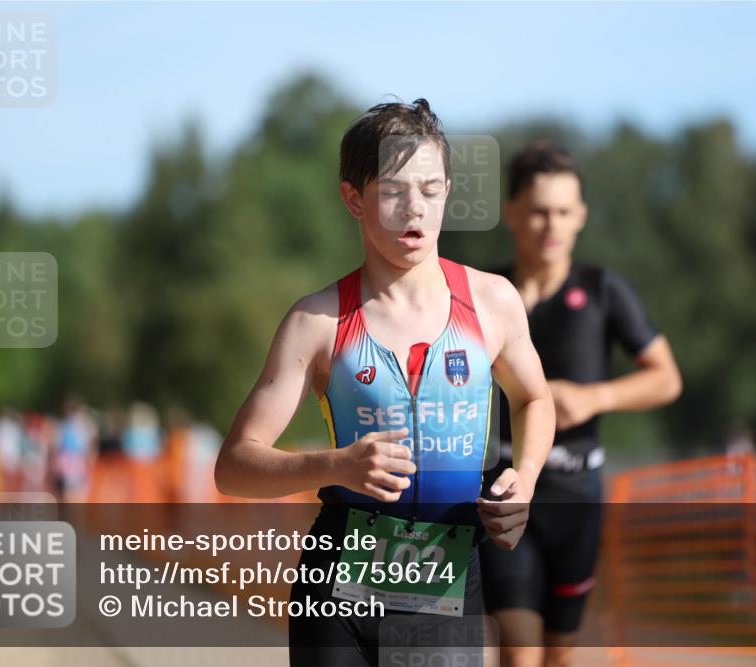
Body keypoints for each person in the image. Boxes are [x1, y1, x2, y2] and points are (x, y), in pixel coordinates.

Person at [215, 99, 556, 667]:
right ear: (354, 198)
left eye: (430, 188)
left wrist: (526, 478)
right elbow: (233, 467)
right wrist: (336, 466)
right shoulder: (316, 321)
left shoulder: (493, 302)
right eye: (393, 190)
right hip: (336, 596)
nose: (414, 209)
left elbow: (534, 397)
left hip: (445, 589)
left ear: (448, 189)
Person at [479, 141, 683, 667]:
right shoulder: (486, 296)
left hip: (578, 495)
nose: (552, 224)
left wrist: (595, 397)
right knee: (519, 651)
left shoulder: (602, 291)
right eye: (540, 210)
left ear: (582, 217)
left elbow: (666, 379)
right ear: (512, 213)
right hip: (507, 488)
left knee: (558, 655)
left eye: (565, 212)